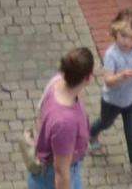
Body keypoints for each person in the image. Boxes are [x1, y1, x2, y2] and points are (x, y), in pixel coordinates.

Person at [93, 8, 132, 187]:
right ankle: (91, 133)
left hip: (131, 101)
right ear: (115, 32)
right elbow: (108, 80)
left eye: (131, 37)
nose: (127, 42)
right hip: (112, 101)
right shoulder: (112, 54)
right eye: (123, 36)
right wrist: (122, 76)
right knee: (106, 122)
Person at [29, 50, 98, 189]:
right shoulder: (65, 123)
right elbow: (61, 171)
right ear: (88, 78)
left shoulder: (56, 81)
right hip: (52, 178)